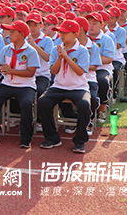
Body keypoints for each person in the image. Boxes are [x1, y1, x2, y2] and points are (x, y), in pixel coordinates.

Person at [37, 20, 91, 153]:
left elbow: (80, 71)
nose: (61, 34)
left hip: (78, 87)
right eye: (60, 32)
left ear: (75, 34)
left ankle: (80, 141)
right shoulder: (56, 49)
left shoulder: (82, 50)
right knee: (43, 102)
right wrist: (60, 58)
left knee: (84, 105)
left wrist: (66, 57)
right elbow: (53, 71)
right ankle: (52, 138)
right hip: (59, 86)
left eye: (65, 32)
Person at [0, 20, 39, 148]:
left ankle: (26, 137)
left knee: (26, 103)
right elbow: (0, 65)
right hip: (7, 83)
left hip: (25, 86)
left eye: (13, 31)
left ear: (22, 34)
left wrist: (11, 70)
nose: (9, 34)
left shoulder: (31, 51)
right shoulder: (6, 49)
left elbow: (31, 72)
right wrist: (3, 69)